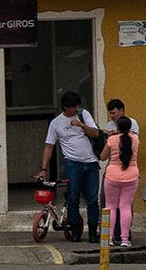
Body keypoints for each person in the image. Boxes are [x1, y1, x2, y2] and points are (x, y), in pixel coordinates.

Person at [38, 91, 102, 242]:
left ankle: (93, 231)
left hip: (91, 162)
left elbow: (95, 134)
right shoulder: (56, 123)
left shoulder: (83, 114)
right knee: (73, 198)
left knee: (93, 199)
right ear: (65, 107)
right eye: (72, 107)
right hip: (72, 163)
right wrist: (43, 168)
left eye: (76, 106)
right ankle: (76, 229)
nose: (75, 110)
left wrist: (81, 124)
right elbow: (49, 146)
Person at [100, 117, 140, 246]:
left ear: (117, 127)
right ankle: (124, 239)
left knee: (110, 206)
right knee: (125, 207)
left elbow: (103, 157)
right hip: (131, 174)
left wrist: (111, 137)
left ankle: (109, 237)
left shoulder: (112, 140)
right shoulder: (135, 139)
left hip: (112, 175)